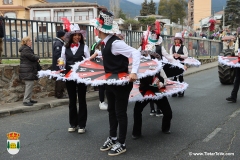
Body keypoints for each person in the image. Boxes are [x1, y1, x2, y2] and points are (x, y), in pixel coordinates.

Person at [90, 10, 141, 156]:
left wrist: (134, 72)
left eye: (96, 27)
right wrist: (97, 54)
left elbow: (135, 53)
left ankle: (122, 142)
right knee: (111, 111)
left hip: (121, 84)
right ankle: (112, 137)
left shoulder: (116, 43)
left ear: (99, 29)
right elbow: (108, 53)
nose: (94, 29)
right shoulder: (105, 43)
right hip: (111, 82)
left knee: (120, 113)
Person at [58, 24, 90, 134]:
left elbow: (88, 62)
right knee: (72, 100)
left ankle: (82, 125)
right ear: (71, 36)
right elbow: (63, 61)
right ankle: (73, 123)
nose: (77, 37)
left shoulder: (85, 47)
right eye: (75, 35)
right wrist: (61, 65)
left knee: (82, 100)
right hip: (69, 76)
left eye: (79, 35)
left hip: (81, 77)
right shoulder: (64, 47)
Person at [132, 69, 172, 139]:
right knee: (137, 111)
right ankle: (136, 133)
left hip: (157, 91)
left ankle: (165, 128)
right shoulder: (140, 66)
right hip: (144, 91)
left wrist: (160, 84)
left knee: (168, 112)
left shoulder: (159, 66)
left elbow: (165, 79)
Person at [19, 36, 40, 106]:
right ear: (26, 42)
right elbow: (32, 57)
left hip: (28, 69)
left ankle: (29, 99)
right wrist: (37, 57)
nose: (31, 42)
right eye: (30, 41)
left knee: (30, 85)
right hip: (27, 70)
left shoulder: (27, 49)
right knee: (29, 85)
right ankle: (26, 100)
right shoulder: (25, 49)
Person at [90, 37, 108, 110]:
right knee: (102, 86)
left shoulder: (105, 47)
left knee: (107, 86)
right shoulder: (95, 47)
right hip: (100, 70)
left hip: (106, 69)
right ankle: (101, 102)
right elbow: (91, 56)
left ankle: (106, 101)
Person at [169, 33, 188, 97]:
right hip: (174, 64)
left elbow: (186, 56)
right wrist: (173, 55)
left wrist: (180, 55)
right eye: (176, 39)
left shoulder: (184, 47)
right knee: (174, 77)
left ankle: (181, 91)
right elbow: (170, 55)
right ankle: (174, 91)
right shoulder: (172, 47)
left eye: (178, 39)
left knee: (180, 77)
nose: (177, 41)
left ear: (180, 40)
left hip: (181, 64)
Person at [52, 30, 67, 99]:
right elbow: (58, 55)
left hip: (59, 65)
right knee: (60, 79)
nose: (65, 37)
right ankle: (59, 94)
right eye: (64, 36)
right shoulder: (58, 43)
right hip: (59, 65)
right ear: (62, 36)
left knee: (60, 79)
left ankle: (59, 93)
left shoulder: (59, 42)